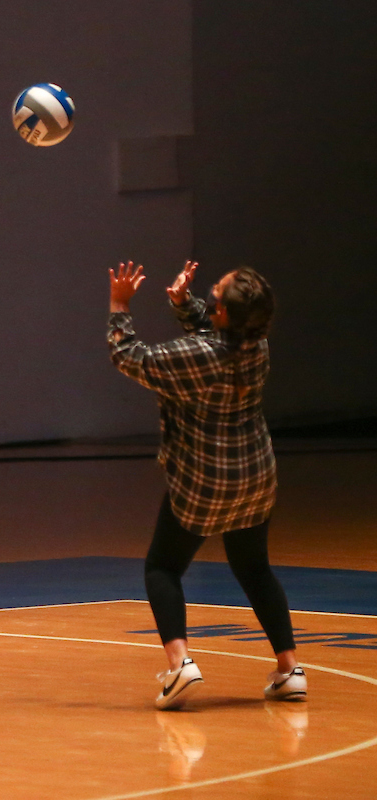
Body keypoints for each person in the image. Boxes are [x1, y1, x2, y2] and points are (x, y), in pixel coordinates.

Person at [107, 259, 305, 709]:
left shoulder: (198, 357)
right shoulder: (258, 344)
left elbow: (129, 356)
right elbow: (219, 332)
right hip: (256, 477)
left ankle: (180, 665)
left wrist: (120, 304)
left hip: (205, 482)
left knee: (163, 567)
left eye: (214, 291)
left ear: (221, 314)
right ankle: (289, 668)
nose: (211, 289)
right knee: (254, 568)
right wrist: (185, 304)